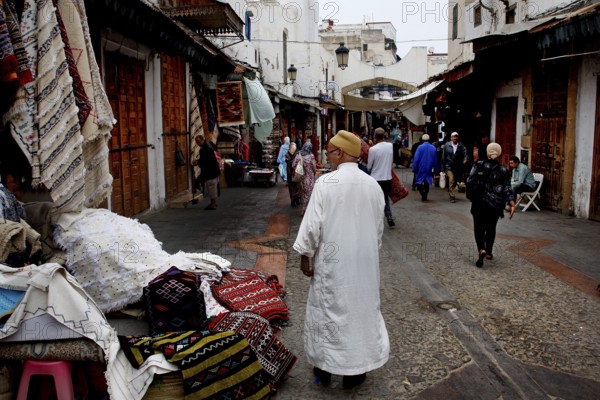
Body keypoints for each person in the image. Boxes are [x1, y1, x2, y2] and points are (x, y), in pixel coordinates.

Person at [293, 130, 389, 390]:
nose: (328, 156)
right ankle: (355, 372)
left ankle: (324, 368)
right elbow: (378, 229)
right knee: (361, 310)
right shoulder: (372, 186)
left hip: (332, 262)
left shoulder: (327, 183)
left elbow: (312, 226)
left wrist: (305, 257)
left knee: (329, 311)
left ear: (343, 153)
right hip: (364, 263)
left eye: (331, 152)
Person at [466, 143, 516, 267]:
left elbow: (469, 180)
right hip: (495, 205)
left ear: (488, 152)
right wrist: (512, 203)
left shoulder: (478, 165)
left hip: (479, 202)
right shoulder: (503, 169)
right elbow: (507, 188)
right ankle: (489, 252)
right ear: (499, 153)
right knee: (491, 227)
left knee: (479, 227)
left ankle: (481, 249)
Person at [368, 127, 395, 227]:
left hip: (376, 179)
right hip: (387, 178)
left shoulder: (373, 149)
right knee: (385, 198)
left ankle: (375, 219)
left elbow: (369, 166)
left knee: (375, 200)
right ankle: (389, 216)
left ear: (375, 136)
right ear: (384, 136)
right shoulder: (390, 146)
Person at [194, 133, 221, 210]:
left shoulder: (206, 148)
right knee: (212, 187)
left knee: (211, 187)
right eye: (197, 142)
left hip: (211, 172)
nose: (198, 144)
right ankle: (214, 203)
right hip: (212, 171)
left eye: (199, 142)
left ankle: (213, 204)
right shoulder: (205, 147)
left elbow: (207, 160)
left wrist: (198, 162)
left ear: (203, 140)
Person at [441, 132, 469, 203]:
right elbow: (443, 157)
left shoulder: (461, 146)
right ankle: (452, 196)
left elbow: (465, 153)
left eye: (456, 137)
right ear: (451, 138)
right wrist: (442, 168)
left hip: (457, 166)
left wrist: (465, 159)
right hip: (449, 166)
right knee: (451, 179)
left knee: (455, 181)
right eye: (454, 137)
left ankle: (451, 191)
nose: (455, 138)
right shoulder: (447, 145)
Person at [292, 142, 316, 216]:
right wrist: (314, 173)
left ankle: (303, 208)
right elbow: (314, 167)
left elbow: (293, 165)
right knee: (309, 193)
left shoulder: (298, 155)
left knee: (302, 193)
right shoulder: (311, 156)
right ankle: (305, 210)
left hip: (301, 177)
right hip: (309, 177)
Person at [412, 134, 439, 201]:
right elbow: (436, 160)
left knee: (418, 181)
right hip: (429, 167)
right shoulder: (433, 148)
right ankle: (425, 194)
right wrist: (436, 169)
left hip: (420, 167)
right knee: (427, 181)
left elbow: (416, 159)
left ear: (423, 140)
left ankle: (422, 192)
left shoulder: (420, 147)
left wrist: (414, 168)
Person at [285, 142, 300, 206]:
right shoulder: (297, 154)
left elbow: (288, 161)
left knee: (293, 186)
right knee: (295, 186)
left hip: (291, 172)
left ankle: (294, 199)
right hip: (294, 172)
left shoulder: (287, 154)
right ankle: (295, 199)